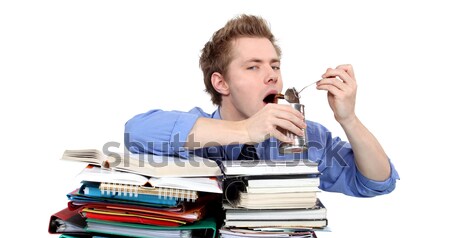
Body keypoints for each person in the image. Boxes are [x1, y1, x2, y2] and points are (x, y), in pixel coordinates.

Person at [124, 14, 399, 197]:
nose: (272, 75)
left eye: (275, 65)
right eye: (253, 66)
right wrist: (245, 131)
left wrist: (349, 118)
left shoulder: (303, 135)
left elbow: (375, 182)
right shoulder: (194, 131)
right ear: (221, 83)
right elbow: (135, 133)